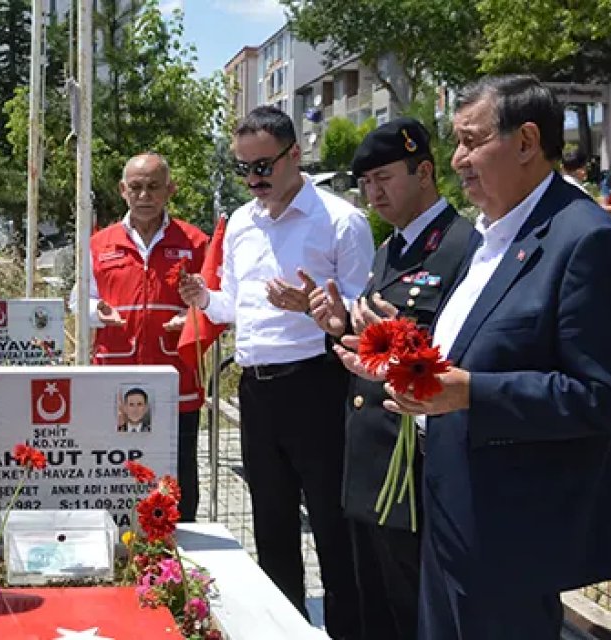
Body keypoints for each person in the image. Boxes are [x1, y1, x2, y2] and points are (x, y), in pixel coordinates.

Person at [378, 75, 611, 638]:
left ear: (525, 142)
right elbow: (478, 348)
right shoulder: (490, 235)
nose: (457, 159)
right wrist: (402, 356)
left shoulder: (585, 239)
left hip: (512, 534)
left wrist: (471, 392)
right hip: (452, 510)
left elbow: (605, 395)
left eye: (471, 141)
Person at [179, 104, 373, 638]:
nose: (253, 179)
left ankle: (348, 630)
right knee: (272, 527)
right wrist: (205, 298)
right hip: (257, 392)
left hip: (318, 384)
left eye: (263, 165)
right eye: (243, 168)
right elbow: (235, 306)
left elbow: (361, 312)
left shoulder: (340, 220)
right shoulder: (241, 223)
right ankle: (282, 629)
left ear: (295, 155)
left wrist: (310, 306)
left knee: (335, 531)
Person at [307, 118, 474, 640]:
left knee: (412, 614)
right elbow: (378, 342)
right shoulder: (392, 249)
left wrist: (398, 340)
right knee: (374, 608)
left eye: (385, 178)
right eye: (366, 183)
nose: (373, 193)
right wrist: (340, 325)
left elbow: (456, 352)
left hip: (411, 470)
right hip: (371, 466)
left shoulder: (463, 247)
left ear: (424, 171)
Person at [86, 152, 207, 517]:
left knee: (179, 472)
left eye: (153, 187)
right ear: (123, 190)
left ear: (170, 189)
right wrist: (96, 311)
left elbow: (215, 301)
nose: (144, 195)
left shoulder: (195, 243)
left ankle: (180, 557)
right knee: (115, 470)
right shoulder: (98, 243)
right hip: (114, 376)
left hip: (176, 380)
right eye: (136, 187)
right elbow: (81, 297)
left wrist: (192, 317)